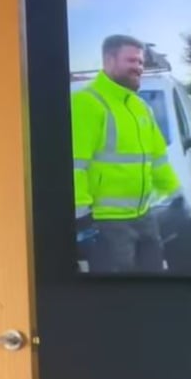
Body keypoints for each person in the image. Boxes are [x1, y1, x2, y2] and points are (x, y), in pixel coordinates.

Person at [71, 34, 180, 273]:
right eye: (131, 61)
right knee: (119, 298)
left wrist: (176, 194)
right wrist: (81, 218)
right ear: (109, 60)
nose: (138, 67)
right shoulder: (87, 104)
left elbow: (158, 159)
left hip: (144, 217)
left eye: (140, 62)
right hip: (106, 224)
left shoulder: (141, 108)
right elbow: (75, 165)